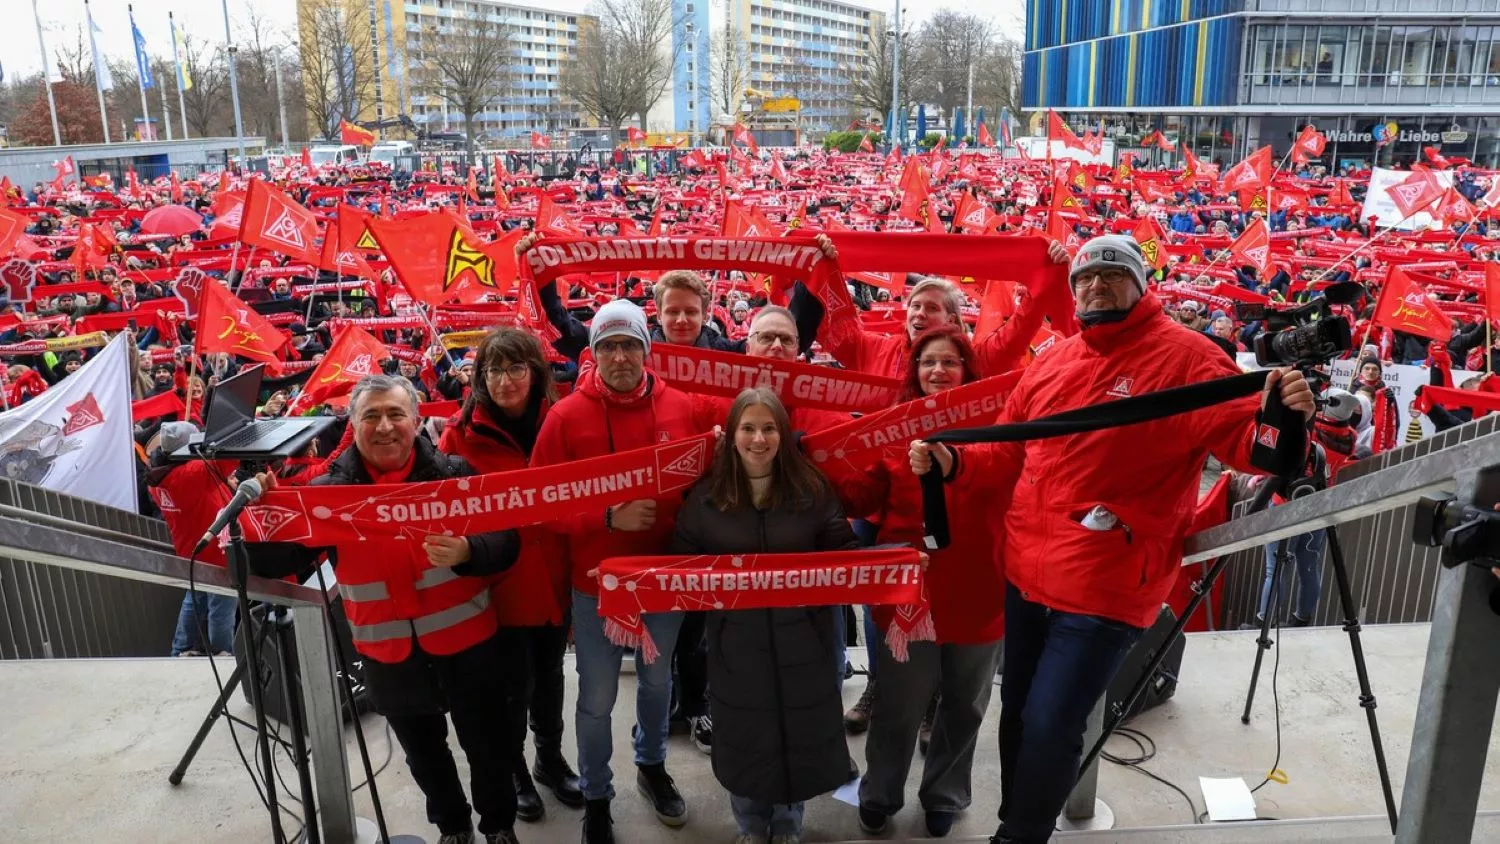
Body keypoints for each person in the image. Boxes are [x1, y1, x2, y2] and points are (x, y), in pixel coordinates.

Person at [910, 234, 1315, 844]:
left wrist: (1286, 419)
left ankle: (1020, 835)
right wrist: (953, 463)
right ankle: (1017, 818)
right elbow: (1007, 451)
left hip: (1106, 585)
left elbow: (1251, 449)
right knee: (1017, 714)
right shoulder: (1053, 361)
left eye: (1113, 273)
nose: (1096, 284)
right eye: (1085, 278)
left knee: (1052, 722)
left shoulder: (1190, 358)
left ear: (1141, 285)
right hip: (1026, 573)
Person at [247, 375, 529, 844]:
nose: (384, 426)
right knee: (424, 755)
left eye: (396, 414)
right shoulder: (325, 495)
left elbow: (507, 541)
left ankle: (499, 826)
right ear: (352, 426)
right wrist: (265, 517)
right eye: (371, 416)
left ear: (416, 422)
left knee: (489, 747)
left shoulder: (456, 475)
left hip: (469, 646)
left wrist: (468, 550)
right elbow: (276, 564)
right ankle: (453, 828)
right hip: (388, 655)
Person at [529, 299, 700, 844]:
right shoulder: (565, 417)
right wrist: (604, 516)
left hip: (663, 579)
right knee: (597, 698)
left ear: (646, 351)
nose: (620, 356)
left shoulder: (682, 407)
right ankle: (598, 796)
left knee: (657, 682)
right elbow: (539, 504)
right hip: (596, 586)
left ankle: (651, 765)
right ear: (594, 353)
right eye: (608, 346)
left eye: (630, 344)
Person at [668, 388, 859, 844]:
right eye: (749, 428)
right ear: (731, 435)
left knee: (798, 735)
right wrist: (619, 577)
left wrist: (895, 564)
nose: (759, 439)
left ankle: (789, 825)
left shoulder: (813, 489)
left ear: (784, 434)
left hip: (805, 642)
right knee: (746, 738)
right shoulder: (706, 499)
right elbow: (678, 567)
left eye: (769, 428)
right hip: (737, 646)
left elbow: (846, 554)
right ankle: (751, 827)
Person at [839, 326, 1005, 838]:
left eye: (950, 361)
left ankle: (945, 794)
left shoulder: (998, 423)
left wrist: (953, 463)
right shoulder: (894, 426)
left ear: (968, 369)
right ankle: (879, 792)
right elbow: (864, 496)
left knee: (965, 702)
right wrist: (825, 462)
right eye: (928, 361)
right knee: (898, 702)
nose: (938, 371)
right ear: (913, 371)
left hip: (978, 588)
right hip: (910, 590)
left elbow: (1007, 474)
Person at [438, 328, 582, 823]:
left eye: (516, 368)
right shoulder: (458, 436)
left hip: (554, 577)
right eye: (494, 370)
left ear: (535, 372)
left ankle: (549, 758)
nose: (505, 380)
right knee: (510, 687)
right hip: (499, 584)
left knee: (550, 676)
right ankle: (515, 769)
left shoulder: (561, 421)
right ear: (479, 377)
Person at [148, 421, 238, 657]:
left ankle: (181, 649)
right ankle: (222, 653)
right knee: (222, 602)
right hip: (215, 550)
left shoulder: (160, 478)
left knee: (195, 598)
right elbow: (230, 458)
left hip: (191, 551)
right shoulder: (191, 474)